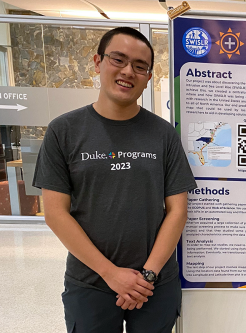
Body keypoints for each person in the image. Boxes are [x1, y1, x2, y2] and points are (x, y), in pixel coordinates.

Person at [33, 27, 197, 332]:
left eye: (139, 66)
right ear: (97, 62)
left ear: (148, 77)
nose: (127, 72)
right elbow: (55, 213)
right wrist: (111, 274)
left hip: (155, 283)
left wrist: (146, 276)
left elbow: (178, 210)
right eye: (118, 60)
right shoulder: (64, 131)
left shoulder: (163, 134)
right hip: (91, 282)